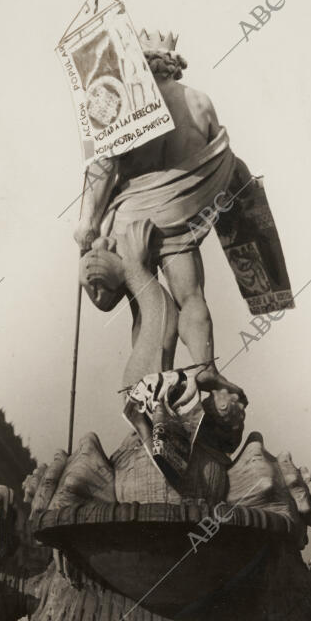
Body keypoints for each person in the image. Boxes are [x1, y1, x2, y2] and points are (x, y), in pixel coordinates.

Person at [75, 37, 251, 403]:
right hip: (179, 218)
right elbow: (222, 159)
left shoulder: (128, 99)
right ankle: (205, 368)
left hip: (130, 220)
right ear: (175, 63)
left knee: (144, 302)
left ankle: (149, 387)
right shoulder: (200, 102)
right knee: (191, 296)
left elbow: (104, 165)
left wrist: (87, 220)